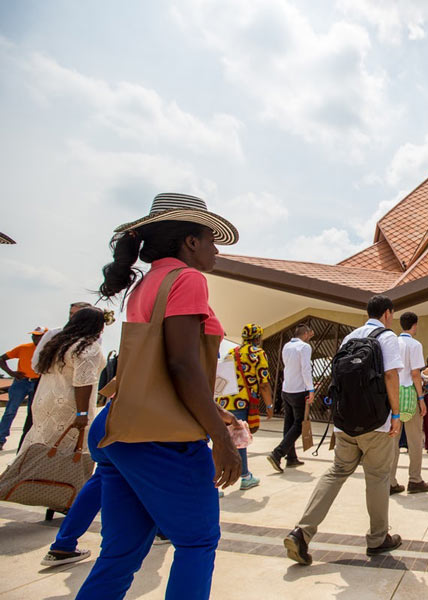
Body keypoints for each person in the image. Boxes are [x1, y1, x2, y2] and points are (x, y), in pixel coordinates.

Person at [76, 192, 242, 600]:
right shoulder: (187, 279)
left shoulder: (146, 283)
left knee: (120, 554)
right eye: (209, 239)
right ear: (190, 242)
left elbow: (155, 369)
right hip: (162, 438)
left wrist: (216, 412)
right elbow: (182, 365)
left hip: (122, 427)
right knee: (197, 542)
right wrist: (221, 441)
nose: (215, 250)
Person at [284, 295, 403, 565]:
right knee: (377, 476)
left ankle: (302, 532)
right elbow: (391, 375)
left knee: (337, 472)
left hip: (345, 422)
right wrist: (396, 414)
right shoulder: (387, 337)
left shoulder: (350, 338)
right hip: (377, 423)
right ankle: (377, 538)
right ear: (387, 313)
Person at [19, 307, 110, 567]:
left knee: (43, 451)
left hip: (45, 402)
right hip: (72, 407)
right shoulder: (88, 347)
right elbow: (84, 381)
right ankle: (65, 500)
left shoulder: (56, 343)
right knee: (77, 459)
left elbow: (37, 367)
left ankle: (49, 496)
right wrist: (82, 413)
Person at [22, 302, 93, 449]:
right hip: (57, 391)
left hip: (69, 395)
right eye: (71, 314)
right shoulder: (55, 333)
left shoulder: (92, 338)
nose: (73, 318)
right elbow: (36, 364)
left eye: (77, 314)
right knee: (40, 437)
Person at [217, 323, 273, 490]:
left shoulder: (231, 353)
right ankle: (244, 476)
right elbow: (263, 383)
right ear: (258, 338)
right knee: (239, 438)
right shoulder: (258, 353)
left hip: (225, 401)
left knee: (226, 439)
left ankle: (239, 475)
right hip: (243, 401)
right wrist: (269, 404)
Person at [389, 311, 428, 494]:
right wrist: (421, 398)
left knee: (393, 440)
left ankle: (390, 481)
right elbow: (415, 374)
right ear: (414, 325)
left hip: (394, 393)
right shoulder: (415, 344)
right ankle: (415, 479)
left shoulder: (392, 343)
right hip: (410, 395)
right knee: (415, 441)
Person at [268, 323, 315, 471]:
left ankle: (292, 457)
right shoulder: (304, 347)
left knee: (288, 424)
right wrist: (311, 390)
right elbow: (306, 369)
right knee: (299, 424)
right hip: (299, 390)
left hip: (286, 389)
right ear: (306, 334)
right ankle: (278, 453)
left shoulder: (287, 346)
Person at [0, 327, 46, 451]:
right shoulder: (23, 348)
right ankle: (0, 439)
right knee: (10, 410)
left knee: (33, 413)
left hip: (38, 383)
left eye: (39, 336)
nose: (35, 338)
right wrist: (12, 373)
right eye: (34, 335)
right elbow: (2, 359)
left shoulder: (48, 350)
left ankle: (29, 440)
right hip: (21, 382)